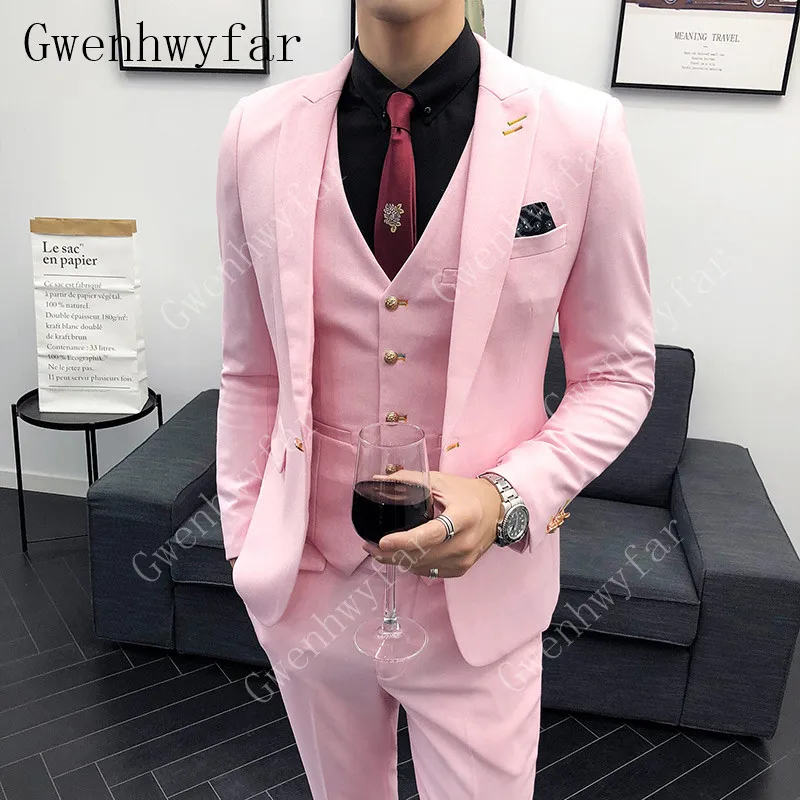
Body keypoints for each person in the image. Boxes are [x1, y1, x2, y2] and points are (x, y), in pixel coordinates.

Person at [215, 1, 655, 797]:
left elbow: (617, 375)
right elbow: (252, 370)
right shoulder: (256, 132)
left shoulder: (581, 132)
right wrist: (246, 544)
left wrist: (505, 498)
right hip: (309, 590)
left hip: (483, 602)